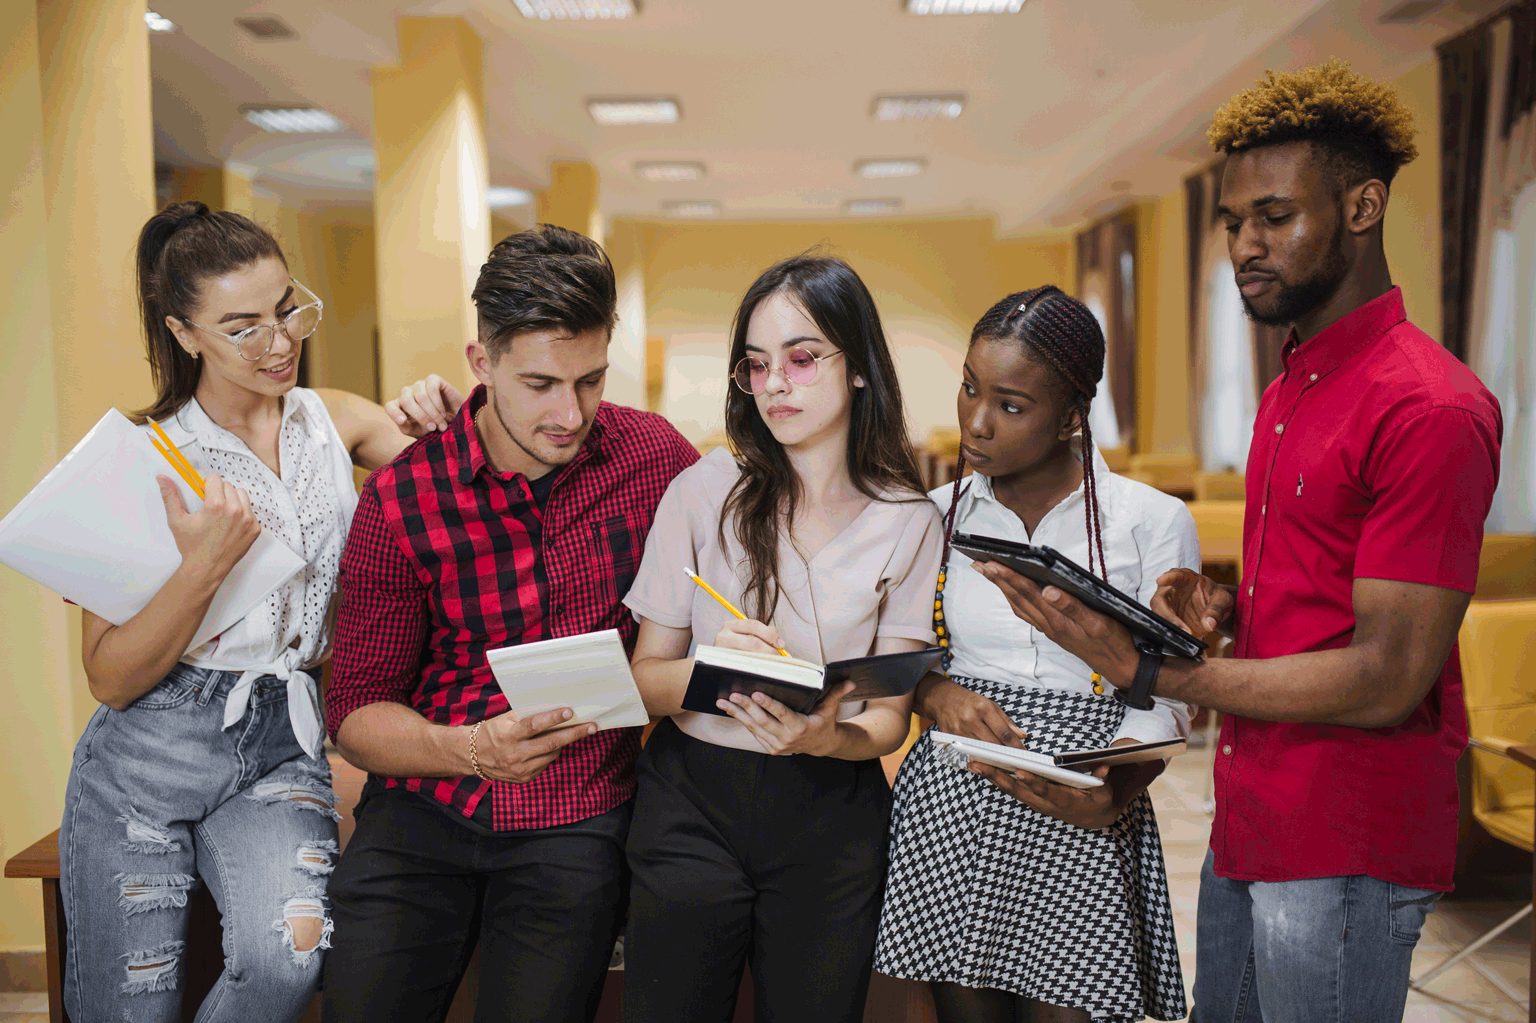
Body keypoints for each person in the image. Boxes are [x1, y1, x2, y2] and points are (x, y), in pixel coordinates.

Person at [973, 61, 1502, 1023]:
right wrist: (1214, 608)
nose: (1244, 245)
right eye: (1231, 221)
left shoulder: (1430, 407)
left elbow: (1388, 674)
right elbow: (1313, 601)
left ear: (1363, 206)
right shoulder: (1289, 387)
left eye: (1274, 217)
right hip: (1253, 806)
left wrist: (1154, 673)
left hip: (1346, 830)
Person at [58, 201, 451, 1023]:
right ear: (185, 332)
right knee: (129, 1002)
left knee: (290, 958)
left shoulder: (334, 419)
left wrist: (440, 421)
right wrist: (200, 568)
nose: (279, 344)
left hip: (283, 735)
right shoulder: (142, 460)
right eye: (243, 327)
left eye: (286, 311)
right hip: (149, 749)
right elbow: (111, 677)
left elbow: (456, 493)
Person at [320, 224, 700, 1023]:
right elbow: (354, 715)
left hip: (577, 813)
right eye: (540, 383)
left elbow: (736, 557)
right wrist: (469, 750)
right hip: (426, 802)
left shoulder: (654, 458)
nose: (571, 414)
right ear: (480, 363)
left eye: (591, 380)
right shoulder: (403, 501)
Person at [620, 254, 945, 1023]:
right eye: (757, 365)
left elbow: (889, 715)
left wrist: (827, 736)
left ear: (860, 367)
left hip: (832, 813)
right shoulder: (704, 488)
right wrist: (713, 670)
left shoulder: (910, 519)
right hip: (691, 800)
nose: (775, 384)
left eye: (802, 359)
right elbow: (641, 681)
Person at [873, 286, 1195, 1023]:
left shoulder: (1149, 521)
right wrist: (933, 694)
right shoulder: (933, 513)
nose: (976, 423)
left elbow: (1170, 692)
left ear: (1072, 416)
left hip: (1088, 793)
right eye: (969, 388)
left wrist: (1114, 786)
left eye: (1011, 405)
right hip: (955, 792)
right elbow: (903, 653)